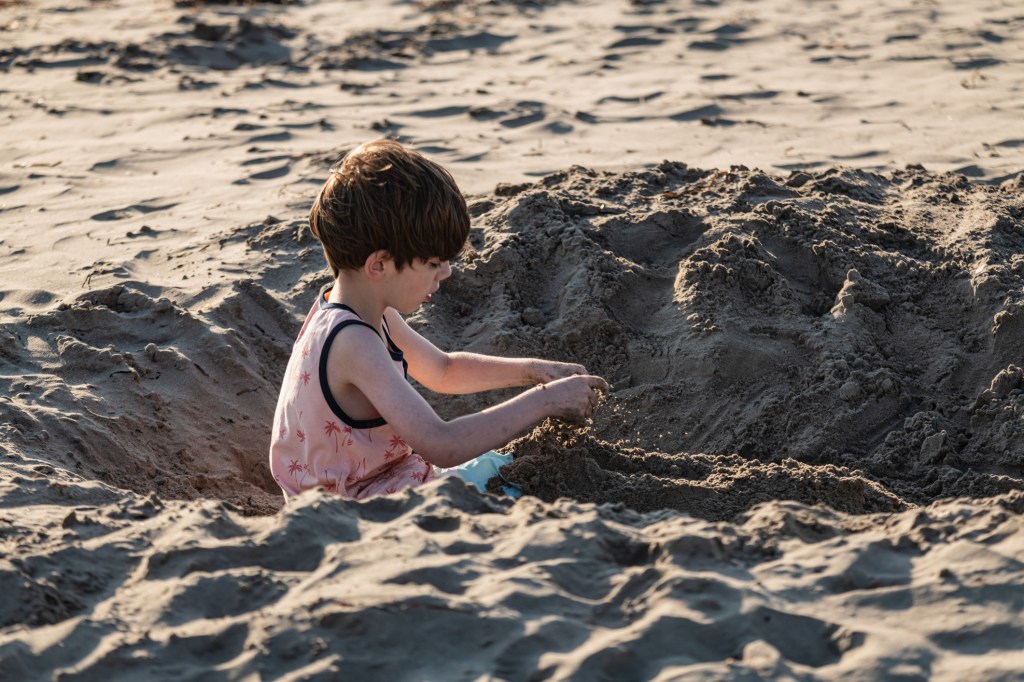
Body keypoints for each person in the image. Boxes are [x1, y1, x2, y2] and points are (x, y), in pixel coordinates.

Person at [269, 139, 608, 501]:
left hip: (381, 482)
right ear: (378, 265)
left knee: (509, 467)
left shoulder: (365, 313)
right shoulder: (353, 341)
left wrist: (535, 371)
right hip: (358, 506)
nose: (445, 272)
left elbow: (443, 370)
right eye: (432, 263)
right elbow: (441, 444)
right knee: (514, 487)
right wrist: (545, 400)